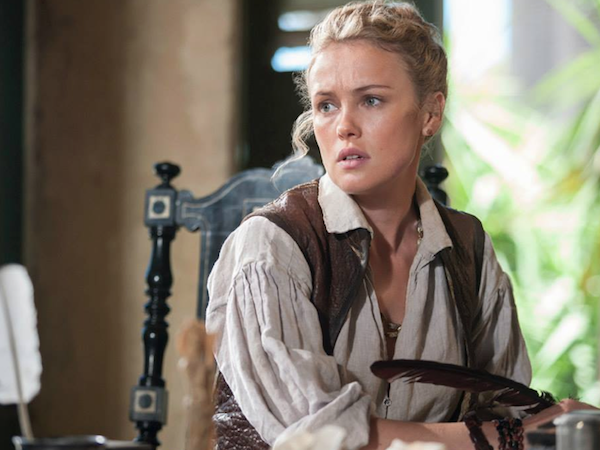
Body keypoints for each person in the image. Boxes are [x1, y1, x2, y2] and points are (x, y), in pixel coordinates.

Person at [205, 2, 595, 449]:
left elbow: (506, 406)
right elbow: (319, 438)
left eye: (371, 100)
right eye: (326, 105)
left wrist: (549, 425)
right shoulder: (271, 246)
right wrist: (514, 437)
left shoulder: (467, 250)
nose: (344, 126)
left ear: (430, 113)